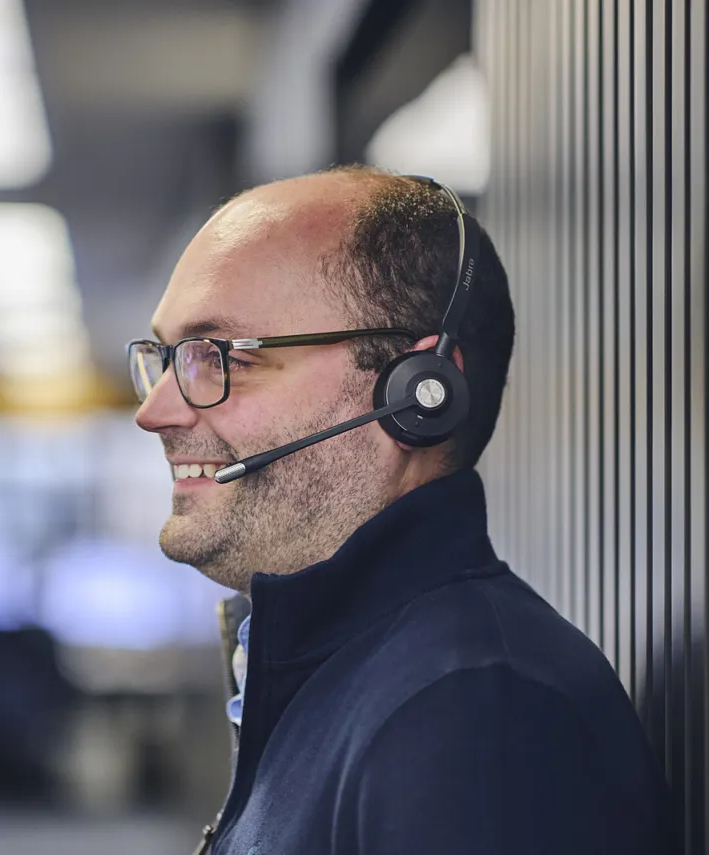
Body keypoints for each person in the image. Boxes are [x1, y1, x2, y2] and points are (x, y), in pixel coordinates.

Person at [128, 167, 671, 854]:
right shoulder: (335, 675)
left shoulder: (473, 719)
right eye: (167, 357)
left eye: (217, 356)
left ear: (417, 393)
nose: (155, 411)